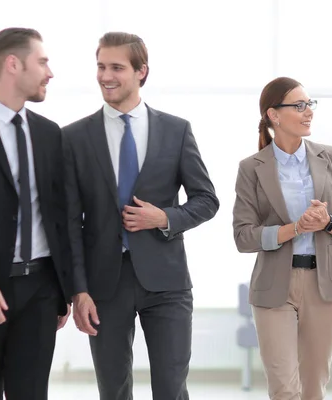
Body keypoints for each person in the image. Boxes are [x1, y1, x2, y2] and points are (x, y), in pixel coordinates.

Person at [62, 32, 219, 400]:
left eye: (116, 67)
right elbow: (69, 222)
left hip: (167, 282)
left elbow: (206, 200)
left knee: (171, 388)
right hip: (104, 286)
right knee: (113, 390)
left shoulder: (176, 130)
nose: (106, 76)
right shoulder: (74, 138)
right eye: (101, 67)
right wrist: (78, 290)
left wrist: (162, 218)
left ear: (141, 71)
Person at [232, 76, 332, 400]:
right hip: (274, 286)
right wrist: (295, 228)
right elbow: (243, 236)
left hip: (325, 283)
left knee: (314, 387)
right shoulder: (252, 168)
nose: (308, 112)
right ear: (274, 115)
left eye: (310, 104)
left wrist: (329, 222)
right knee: (284, 389)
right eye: (299, 105)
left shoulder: (330, 156)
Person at [0, 27, 72, 400]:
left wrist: (63, 291)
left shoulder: (50, 134)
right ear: (13, 64)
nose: (50, 72)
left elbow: (60, 218)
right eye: (42, 61)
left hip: (41, 293)